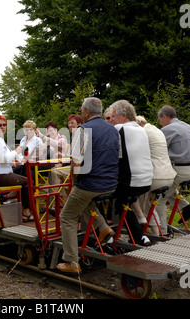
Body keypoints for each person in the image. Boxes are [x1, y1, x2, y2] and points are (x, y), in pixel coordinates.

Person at [57, 97, 119, 273]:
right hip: (111, 184)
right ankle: (104, 228)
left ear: (86, 111)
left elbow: (75, 162)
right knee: (84, 200)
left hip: (91, 183)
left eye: (81, 109)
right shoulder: (113, 130)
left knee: (67, 216)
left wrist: (74, 181)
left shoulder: (82, 130)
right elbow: (118, 156)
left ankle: (71, 262)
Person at [108, 100, 153, 246]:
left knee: (99, 194)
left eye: (113, 116)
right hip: (147, 180)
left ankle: (107, 235)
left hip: (132, 182)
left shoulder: (120, 128)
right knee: (122, 199)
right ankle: (140, 231)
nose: (112, 120)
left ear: (123, 116)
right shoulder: (141, 129)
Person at [0, 115, 32, 222]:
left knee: (21, 176)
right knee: (27, 181)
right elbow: (3, 159)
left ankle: (21, 207)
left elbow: (0, 159)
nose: (2, 127)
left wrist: (12, 162)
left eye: (4, 125)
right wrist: (17, 150)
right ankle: (26, 212)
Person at [135, 116, 177, 235]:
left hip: (156, 177)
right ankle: (157, 232)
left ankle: (155, 235)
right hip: (168, 175)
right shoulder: (157, 130)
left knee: (142, 204)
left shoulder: (142, 132)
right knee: (150, 206)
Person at [158, 105, 190, 222]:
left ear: (165, 116)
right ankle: (187, 208)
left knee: (157, 198)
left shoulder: (167, 130)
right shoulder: (188, 126)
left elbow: (158, 150)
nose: (160, 123)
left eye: (160, 120)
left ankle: (163, 231)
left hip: (180, 171)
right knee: (168, 189)